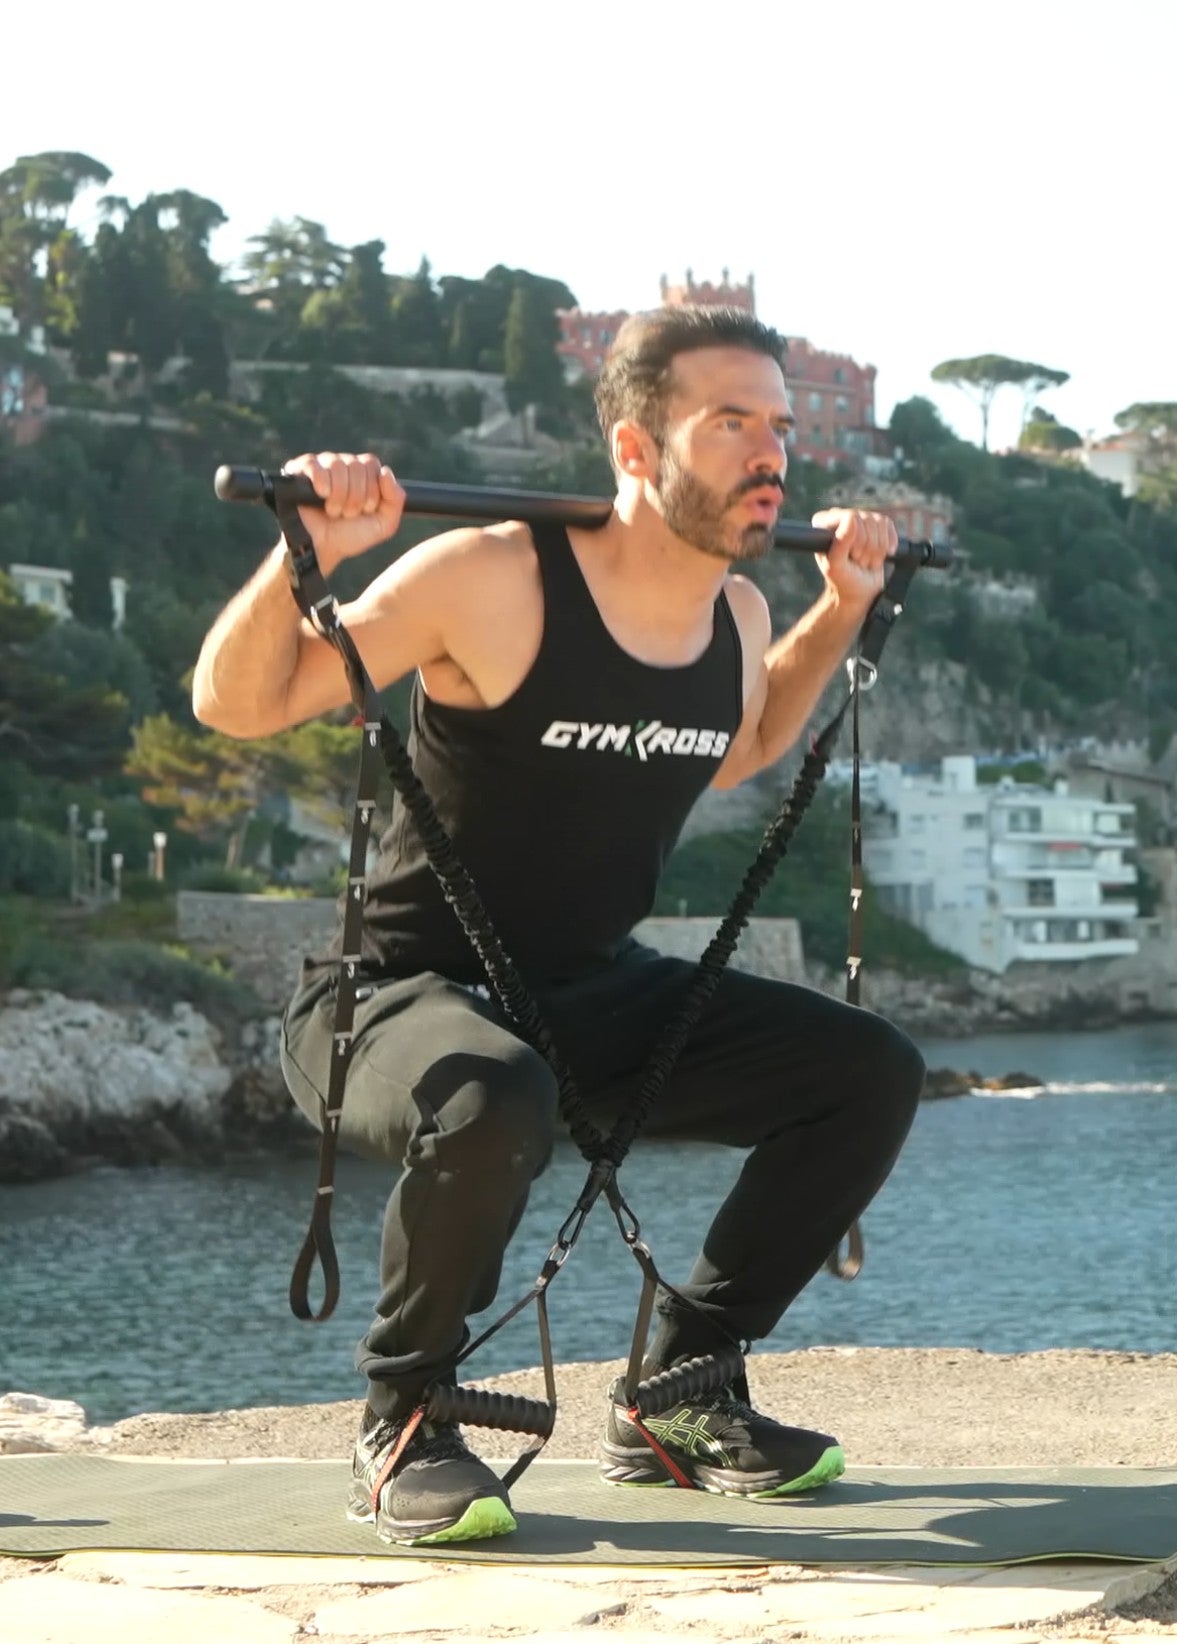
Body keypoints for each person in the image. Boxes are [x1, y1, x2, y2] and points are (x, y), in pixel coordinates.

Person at [192, 306, 925, 1550]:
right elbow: (235, 700)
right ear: (636, 451)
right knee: (492, 1094)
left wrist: (839, 606)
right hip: (391, 999)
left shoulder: (737, 616)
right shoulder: (490, 578)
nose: (772, 456)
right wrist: (303, 548)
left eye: (782, 427)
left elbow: (744, 746)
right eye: (730, 423)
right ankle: (405, 1417)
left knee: (868, 1072)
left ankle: (677, 1390)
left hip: (591, 994)